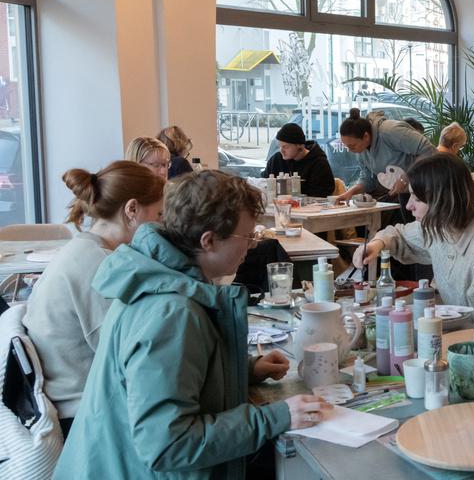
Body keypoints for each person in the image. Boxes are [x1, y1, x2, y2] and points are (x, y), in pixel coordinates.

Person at [56, 171, 330, 477]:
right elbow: (167, 444)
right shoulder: (172, 314)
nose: (251, 246)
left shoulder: (156, 278)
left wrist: (244, 370)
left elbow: (166, 379)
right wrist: (275, 417)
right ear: (208, 241)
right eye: (247, 237)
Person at [23, 161, 165, 438]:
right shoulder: (103, 267)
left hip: (69, 399)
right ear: (132, 209)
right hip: (84, 417)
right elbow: (131, 360)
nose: (161, 224)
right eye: (159, 214)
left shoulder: (82, 249)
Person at [353, 153, 474, 325]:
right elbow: (400, 235)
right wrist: (376, 245)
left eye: (418, 199)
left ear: (442, 200)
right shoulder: (443, 225)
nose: (408, 206)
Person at [335, 108, 436, 205]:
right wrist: (351, 192)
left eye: (352, 146)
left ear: (365, 136)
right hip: (405, 192)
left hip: (428, 187)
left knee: (428, 222)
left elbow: (428, 149)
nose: (350, 150)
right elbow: (368, 179)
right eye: (347, 146)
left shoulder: (390, 131)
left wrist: (405, 178)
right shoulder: (362, 150)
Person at [261, 123, 335, 197]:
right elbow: (263, 184)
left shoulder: (319, 163)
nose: (282, 151)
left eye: (285, 147)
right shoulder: (276, 160)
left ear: (299, 145)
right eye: (280, 147)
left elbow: (322, 193)